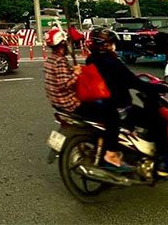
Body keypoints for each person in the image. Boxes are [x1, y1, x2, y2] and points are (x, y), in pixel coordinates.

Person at [43, 27, 124, 170]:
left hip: (58, 103)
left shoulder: (50, 60)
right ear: (62, 44)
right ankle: (109, 153)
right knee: (111, 116)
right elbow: (64, 84)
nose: (69, 45)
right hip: (70, 103)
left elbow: (59, 78)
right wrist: (77, 73)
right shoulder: (60, 61)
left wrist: (72, 70)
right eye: (67, 42)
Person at [85, 27, 168, 163]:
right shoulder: (112, 62)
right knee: (159, 122)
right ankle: (161, 159)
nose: (114, 46)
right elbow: (134, 82)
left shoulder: (91, 59)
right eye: (112, 43)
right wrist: (159, 87)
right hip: (117, 106)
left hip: (101, 104)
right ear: (106, 44)